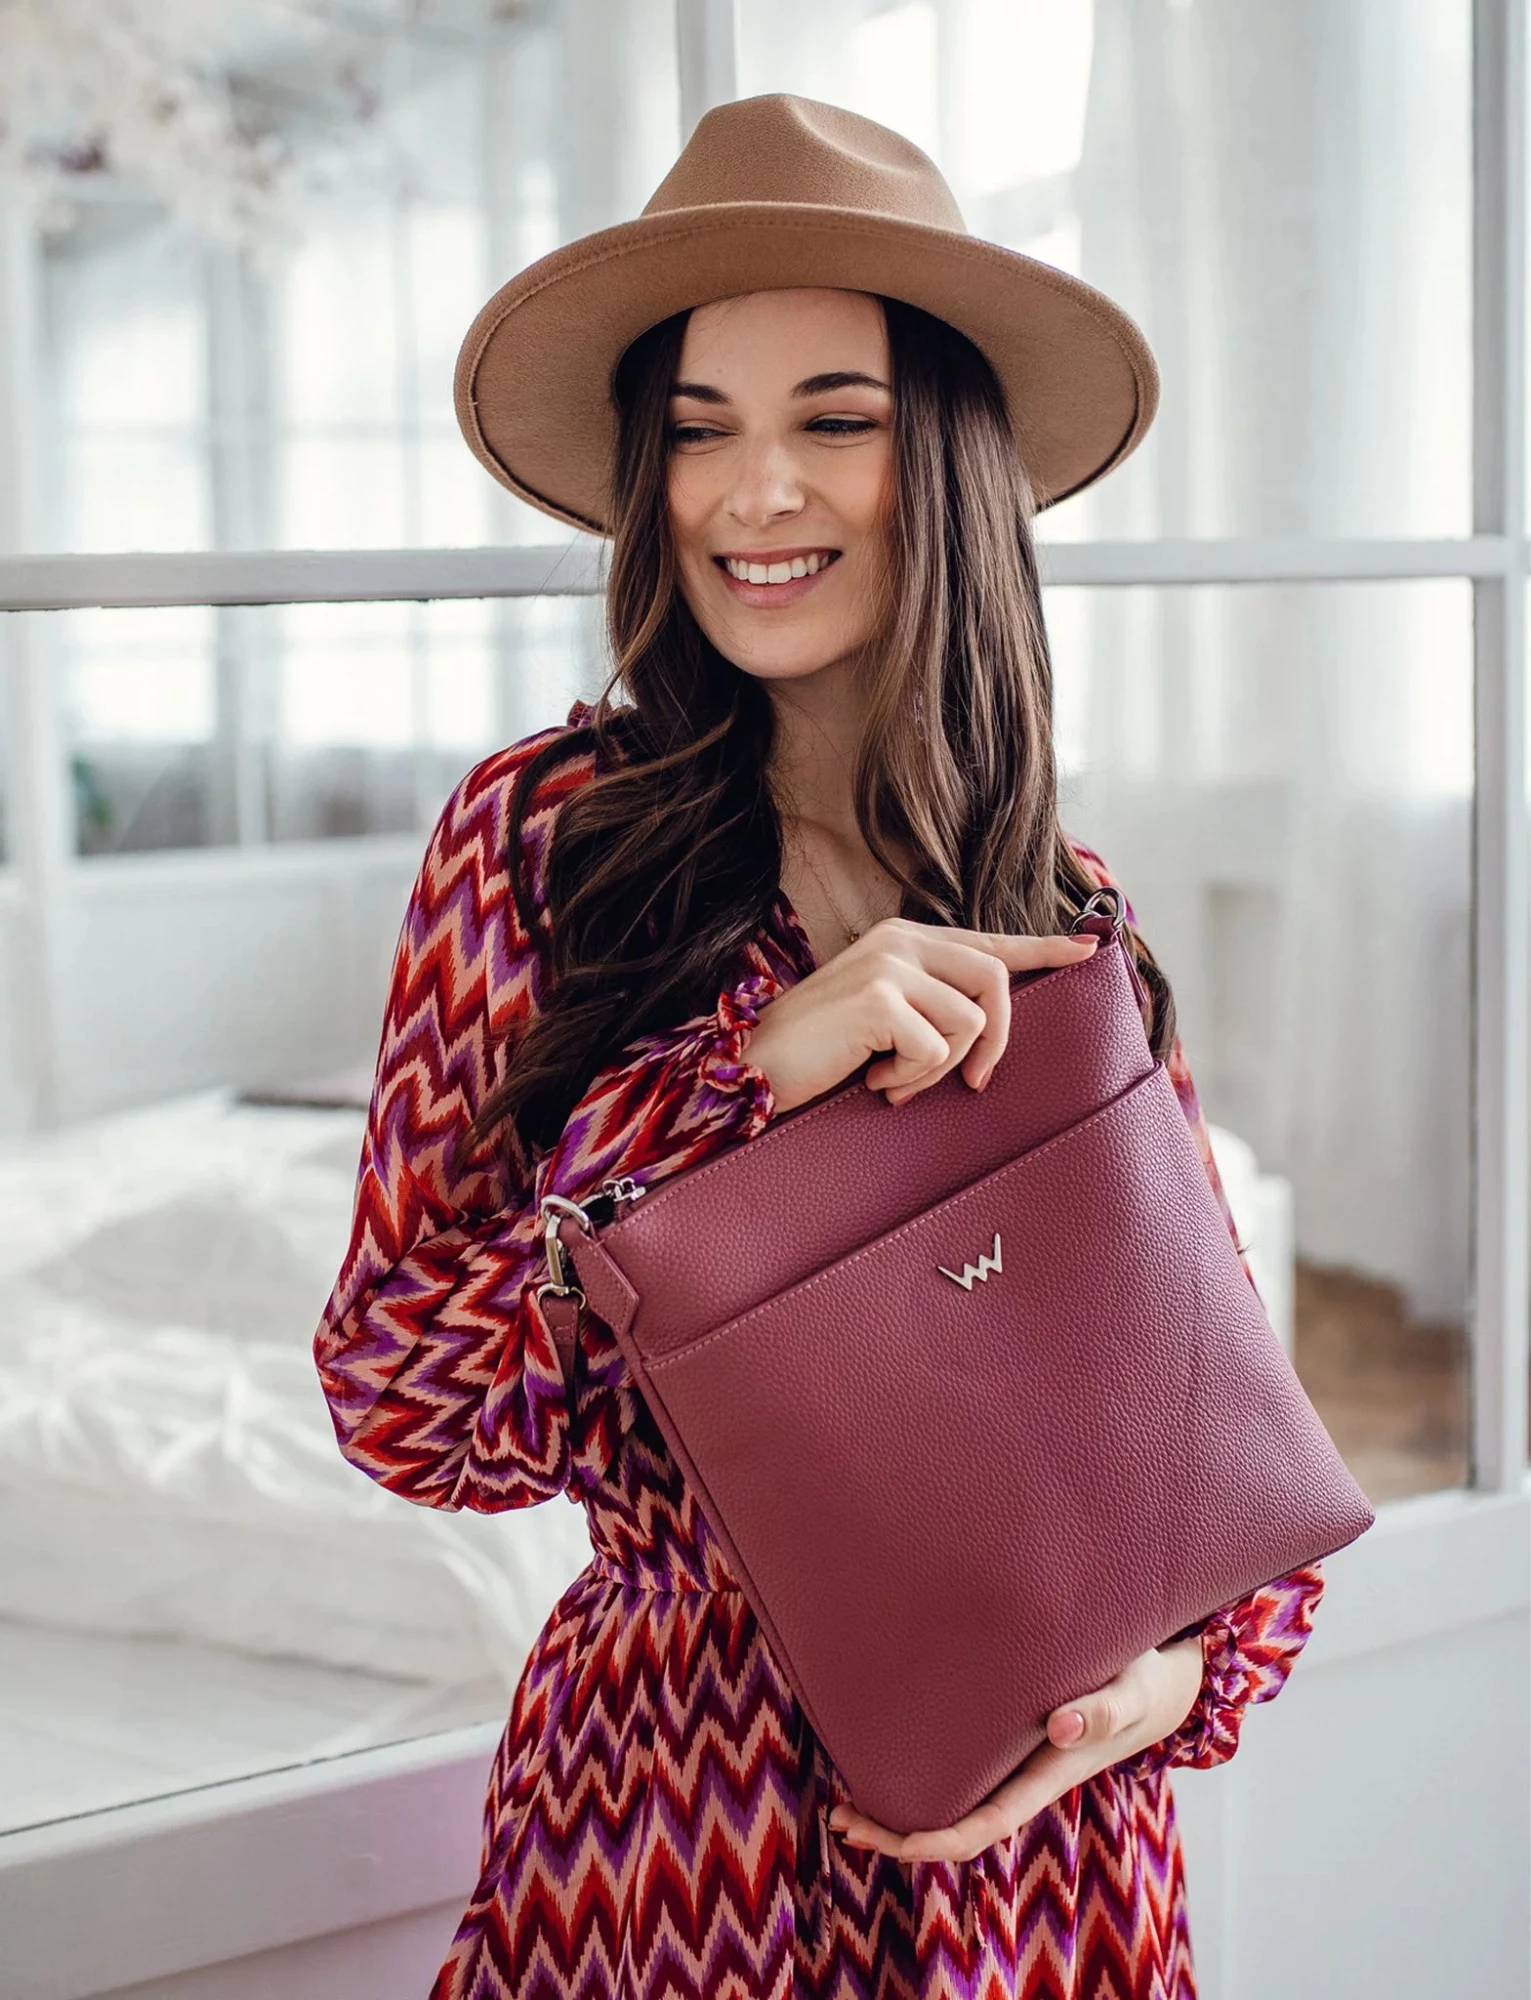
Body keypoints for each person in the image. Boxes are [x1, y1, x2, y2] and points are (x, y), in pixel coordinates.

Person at [314, 95, 1324, 2000]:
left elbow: (1213, 1423)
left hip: (1051, 1874)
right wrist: (745, 1079)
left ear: (939, 459)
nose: (750, 492)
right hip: (678, 1833)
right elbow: (403, 1406)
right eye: (698, 431)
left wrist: (1174, 1681)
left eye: (831, 421)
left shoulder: (1065, 908)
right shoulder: (542, 842)